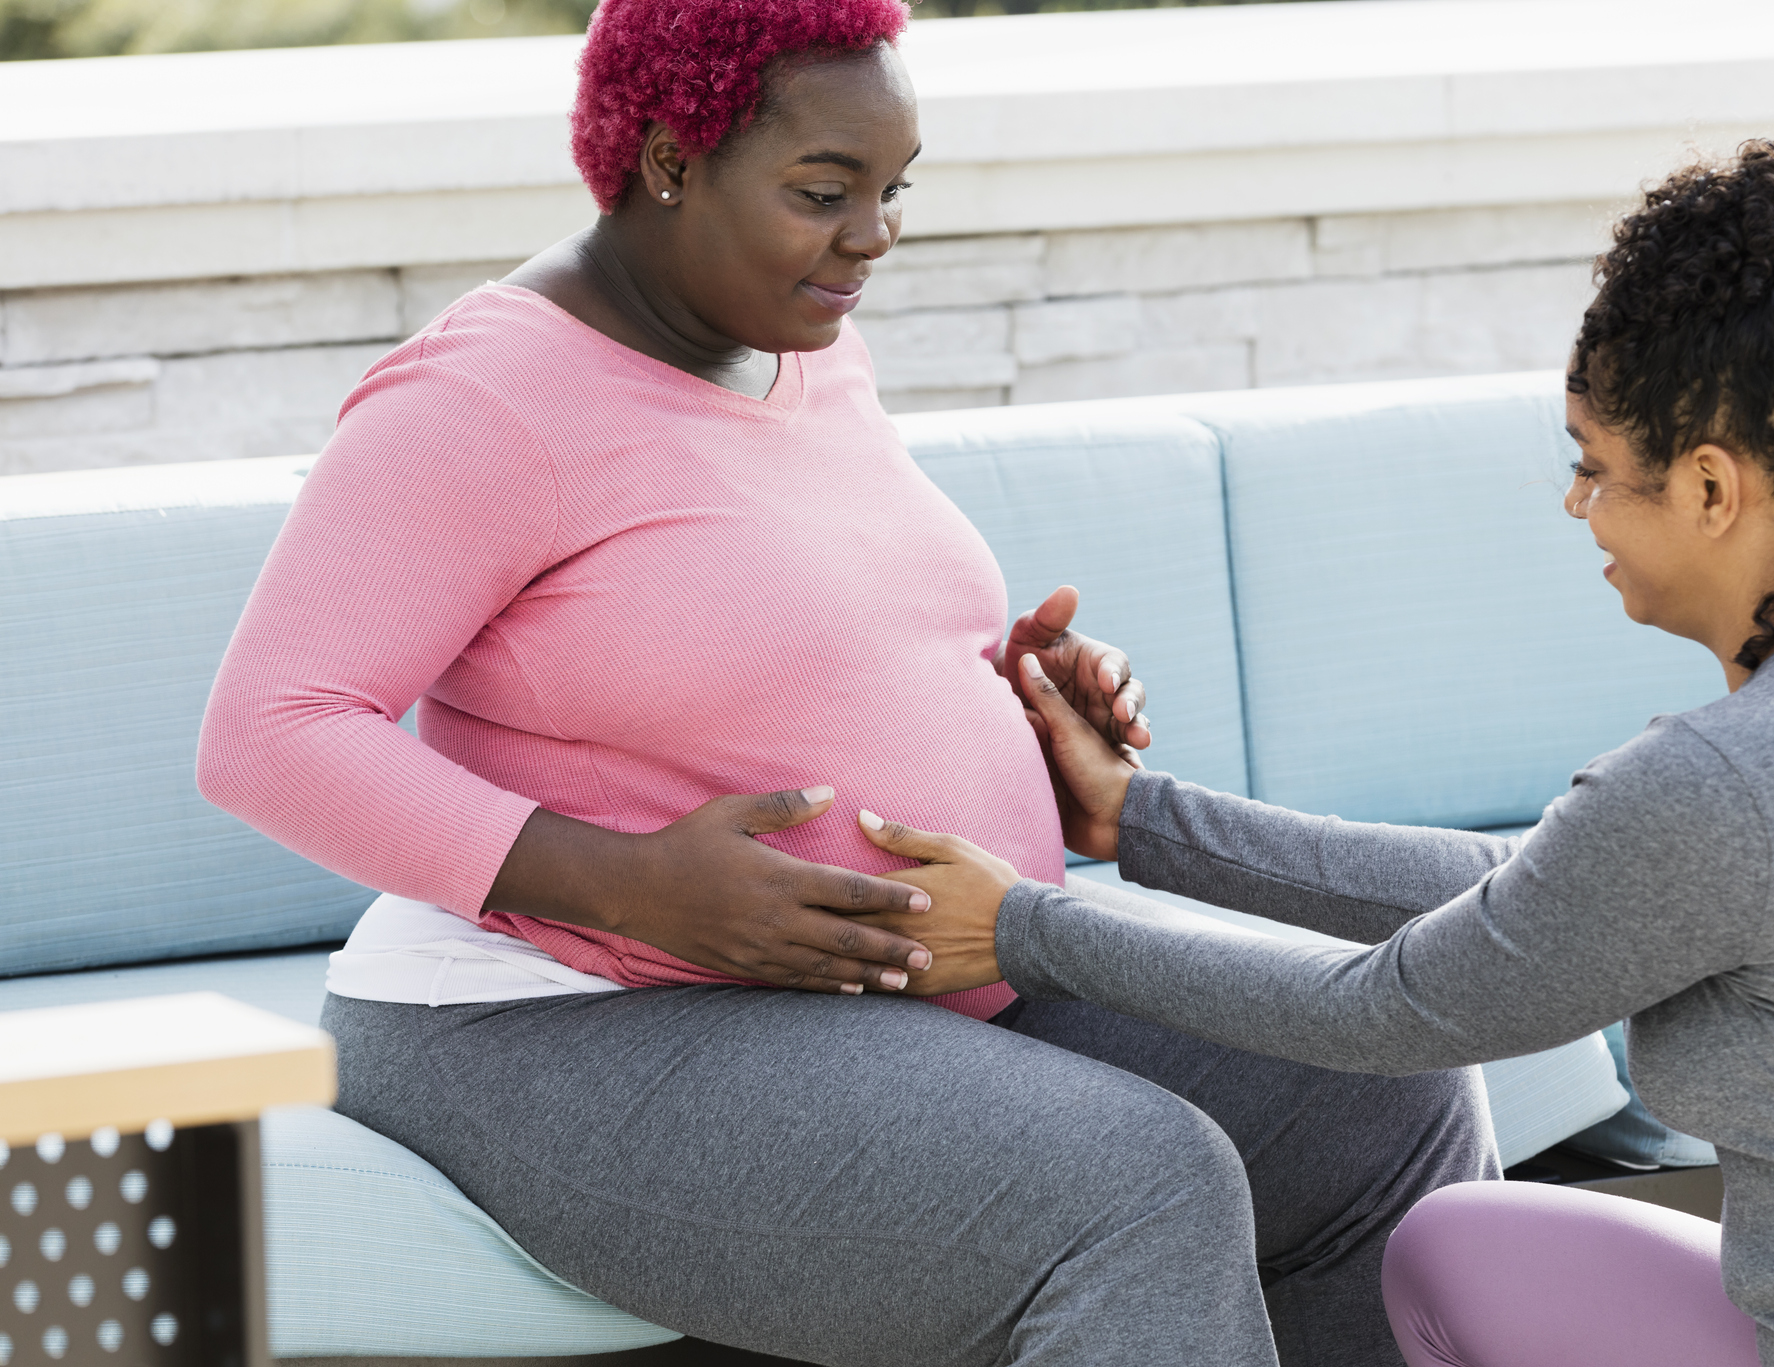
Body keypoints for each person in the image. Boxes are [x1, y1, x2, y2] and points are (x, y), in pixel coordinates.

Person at [197, 2, 1496, 1364]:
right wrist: (627, 884)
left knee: (1378, 1091)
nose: (872, 235)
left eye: (892, 189)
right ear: (665, 160)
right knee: (1130, 1178)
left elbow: (775, 638)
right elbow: (271, 734)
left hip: (911, 970)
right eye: (824, 192)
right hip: (565, 1016)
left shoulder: (793, 344)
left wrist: (1011, 705)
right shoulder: (488, 398)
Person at [846, 137, 1774, 1366]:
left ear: (1713, 488)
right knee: (1461, 1246)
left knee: (1441, 1254)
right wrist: (1138, 823)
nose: (1576, 505)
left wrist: (1022, 929)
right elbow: (1533, 887)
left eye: (1596, 468)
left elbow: (1371, 1013)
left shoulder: (1728, 779)